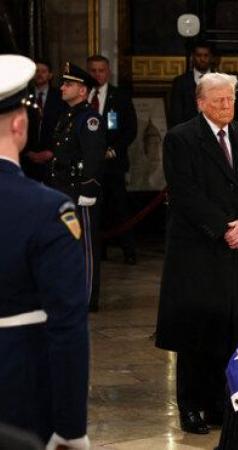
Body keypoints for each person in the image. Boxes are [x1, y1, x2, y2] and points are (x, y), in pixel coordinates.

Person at [155, 72, 238, 435]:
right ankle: (192, 407)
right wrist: (223, 227)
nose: (226, 105)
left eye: (230, 99)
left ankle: (223, 404)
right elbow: (185, 193)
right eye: (218, 99)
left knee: (235, 328)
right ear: (201, 102)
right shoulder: (181, 138)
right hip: (200, 251)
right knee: (196, 331)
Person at [0, 54, 89, 449]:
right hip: (17, 387)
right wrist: (71, 429)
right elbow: (67, 324)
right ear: (20, 125)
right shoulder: (47, 210)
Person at [48, 62, 106, 311]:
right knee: (65, 245)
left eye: (68, 84)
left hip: (78, 190)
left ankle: (86, 297)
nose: (62, 87)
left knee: (85, 247)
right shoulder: (68, 115)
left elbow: (94, 156)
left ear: (82, 91)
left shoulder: (90, 119)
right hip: (62, 188)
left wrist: (88, 189)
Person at [87, 54, 138, 264]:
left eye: (101, 70)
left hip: (113, 163)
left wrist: (114, 150)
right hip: (89, 164)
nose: (98, 74)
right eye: (93, 70)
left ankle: (129, 250)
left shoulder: (121, 96)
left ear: (108, 72)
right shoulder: (84, 96)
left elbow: (130, 129)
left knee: (119, 207)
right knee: (96, 209)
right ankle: (100, 251)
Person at [20, 58, 67, 183]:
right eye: (36, 71)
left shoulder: (61, 96)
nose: (39, 74)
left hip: (53, 159)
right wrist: (27, 152)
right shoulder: (22, 96)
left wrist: (52, 152)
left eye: (43, 71)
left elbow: (65, 127)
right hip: (27, 159)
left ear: (50, 75)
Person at [167, 41, 213, 128]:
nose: (202, 59)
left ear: (211, 57)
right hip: (188, 134)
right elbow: (176, 115)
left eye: (206, 55)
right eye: (199, 55)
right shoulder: (180, 82)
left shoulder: (222, 81)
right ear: (193, 57)